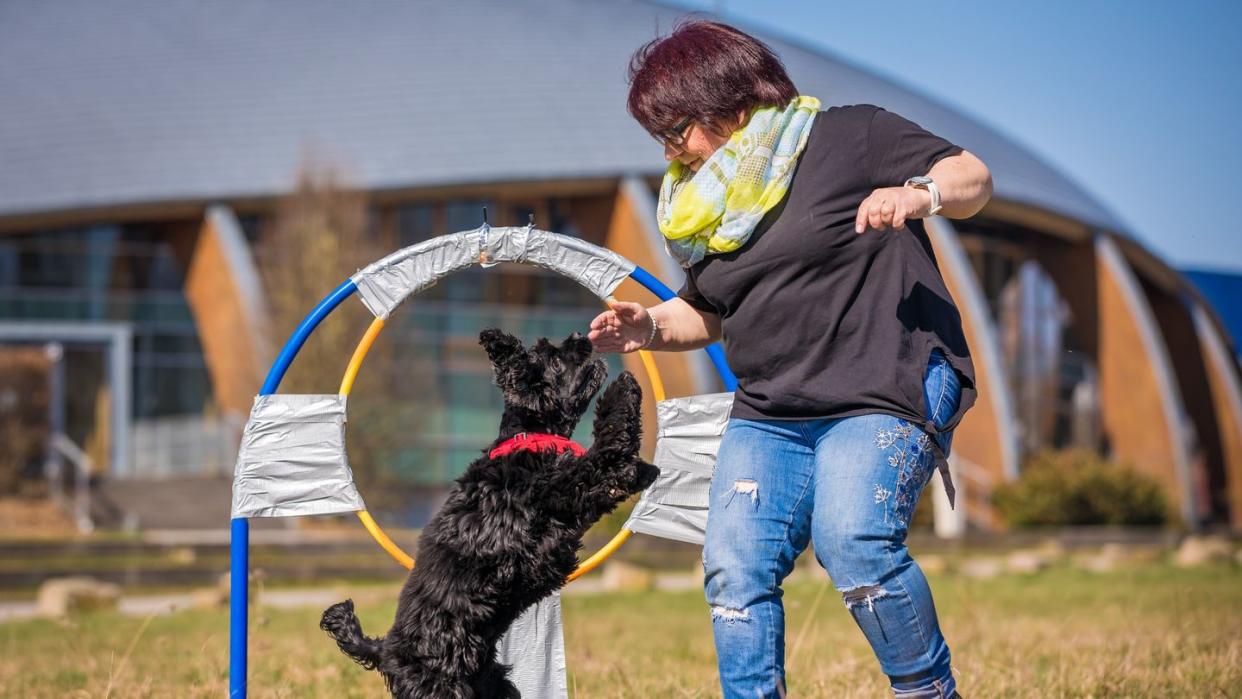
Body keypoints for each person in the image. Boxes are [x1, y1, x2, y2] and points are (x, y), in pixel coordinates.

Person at [588, 20, 992, 699]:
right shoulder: (709, 211)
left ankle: (927, 690)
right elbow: (711, 311)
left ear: (730, 102)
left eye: (676, 129)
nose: (671, 152)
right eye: (658, 138)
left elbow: (972, 176)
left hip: (884, 386)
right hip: (774, 411)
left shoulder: (848, 136)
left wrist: (919, 192)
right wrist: (649, 325)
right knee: (734, 567)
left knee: (854, 540)